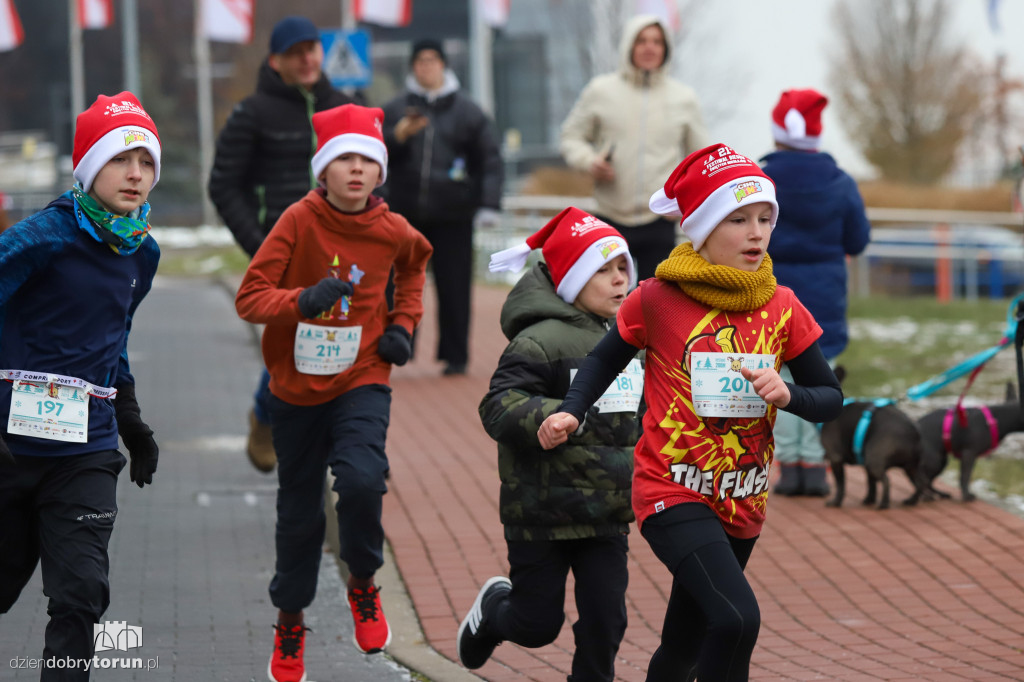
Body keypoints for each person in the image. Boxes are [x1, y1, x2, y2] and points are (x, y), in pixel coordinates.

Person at [538, 144, 844, 682]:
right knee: (737, 620)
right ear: (701, 229)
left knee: (685, 643)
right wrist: (571, 411)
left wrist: (788, 395)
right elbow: (602, 361)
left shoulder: (783, 305)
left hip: (743, 495)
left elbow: (830, 398)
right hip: (671, 489)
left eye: (765, 219)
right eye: (738, 219)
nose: (756, 233)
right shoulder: (657, 298)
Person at [235, 104, 433, 678]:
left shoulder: (393, 229)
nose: (355, 169)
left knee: (363, 480)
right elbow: (250, 298)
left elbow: (417, 265)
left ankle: (363, 582)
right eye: (343, 157)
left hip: (362, 376)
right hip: (295, 390)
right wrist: (300, 301)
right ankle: (290, 622)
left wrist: (401, 326)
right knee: (299, 516)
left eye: (366, 159)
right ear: (322, 168)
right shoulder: (299, 220)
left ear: (380, 172)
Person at [0, 92, 162, 681]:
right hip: (10, 445)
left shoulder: (141, 253)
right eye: (122, 160)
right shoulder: (41, 238)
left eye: (146, 163)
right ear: (91, 167)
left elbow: (111, 337)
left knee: (81, 596)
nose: (136, 175)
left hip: (85, 452)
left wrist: (130, 417)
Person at [456, 207, 641, 676]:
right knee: (536, 624)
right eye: (603, 269)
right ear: (572, 278)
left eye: (623, 267)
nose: (619, 280)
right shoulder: (539, 342)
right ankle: (495, 609)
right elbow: (497, 404)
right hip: (542, 511)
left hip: (608, 512)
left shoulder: (633, 341)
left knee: (606, 622)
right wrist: (546, 416)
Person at [209, 15, 353, 474]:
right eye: (296, 52)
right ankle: (265, 416)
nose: (307, 58)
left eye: (313, 48)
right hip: (285, 251)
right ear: (276, 61)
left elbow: (373, 175)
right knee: (291, 342)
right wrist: (260, 244)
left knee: (352, 337)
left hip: (346, 249)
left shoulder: (345, 106)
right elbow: (223, 186)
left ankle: (353, 441)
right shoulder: (253, 113)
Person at [760, 89, 871, 497]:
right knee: (821, 382)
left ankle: (789, 467)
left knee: (782, 381)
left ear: (777, 132)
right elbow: (857, 240)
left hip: (773, 296)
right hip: (825, 300)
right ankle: (816, 464)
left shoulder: (760, 179)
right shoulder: (840, 182)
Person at [380, 38, 504, 377]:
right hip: (404, 214)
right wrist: (398, 136)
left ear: (444, 66)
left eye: (433, 60)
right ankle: (397, 346)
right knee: (399, 284)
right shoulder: (396, 109)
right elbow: (376, 153)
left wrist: (489, 203)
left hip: (453, 214)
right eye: (420, 61)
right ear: (412, 67)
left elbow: (490, 160)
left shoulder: (467, 111)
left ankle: (455, 355)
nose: (427, 67)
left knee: (454, 286)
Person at [559, 14, 709, 282]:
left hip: (660, 223)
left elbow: (702, 158)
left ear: (666, 49)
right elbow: (570, 137)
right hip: (609, 217)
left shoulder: (684, 98)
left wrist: (685, 198)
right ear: (629, 46)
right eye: (641, 41)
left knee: (656, 307)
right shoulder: (600, 91)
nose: (649, 47)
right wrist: (589, 160)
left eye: (657, 41)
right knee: (607, 305)